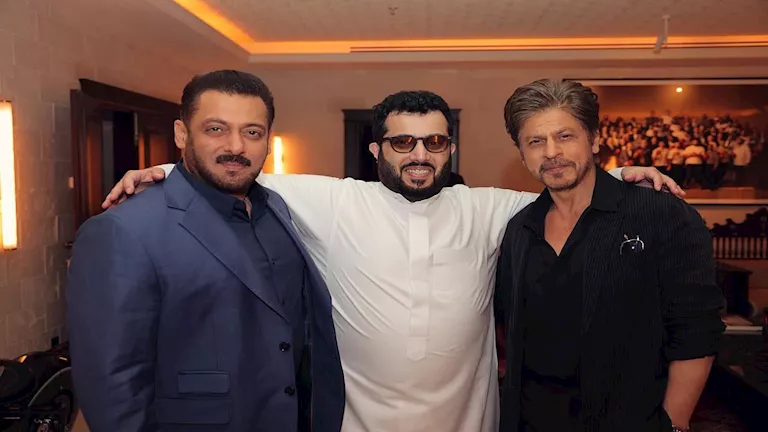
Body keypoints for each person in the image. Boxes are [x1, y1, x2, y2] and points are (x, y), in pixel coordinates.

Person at [102, 89, 683, 432]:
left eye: (434, 142)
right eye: (403, 142)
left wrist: (626, 174)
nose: (419, 155)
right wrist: (165, 172)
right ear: (376, 148)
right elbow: (238, 169)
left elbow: (567, 187)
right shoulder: (334, 201)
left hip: (470, 424)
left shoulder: (489, 208)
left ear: (449, 148)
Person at [66, 70, 344, 432]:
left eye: (252, 132)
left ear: (268, 139)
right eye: (216, 129)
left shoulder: (276, 207)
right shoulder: (123, 230)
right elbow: (112, 386)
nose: (236, 146)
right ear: (182, 134)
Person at [494, 79, 725, 432]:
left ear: (594, 139)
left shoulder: (660, 214)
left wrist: (675, 424)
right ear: (522, 154)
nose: (551, 152)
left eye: (565, 136)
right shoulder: (519, 230)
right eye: (535, 141)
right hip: (531, 420)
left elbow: (696, 328)